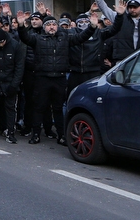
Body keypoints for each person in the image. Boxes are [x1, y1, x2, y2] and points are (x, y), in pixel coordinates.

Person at [17, 13, 96, 145]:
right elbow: (25, 38)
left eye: (54, 24)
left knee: (58, 108)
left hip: (59, 78)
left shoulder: (65, 38)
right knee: (39, 107)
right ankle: (35, 134)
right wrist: (20, 26)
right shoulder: (37, 39)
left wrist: (92, 27)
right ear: (44, 27)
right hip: (42, 78)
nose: (52, 27)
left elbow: (81, 37)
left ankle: (62, 135)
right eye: (49, 25)